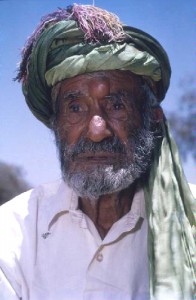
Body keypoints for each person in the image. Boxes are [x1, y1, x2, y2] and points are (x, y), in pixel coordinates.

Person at [0, 4, 195, 300]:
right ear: (56, 123)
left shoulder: (189, 221)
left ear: (152, 117)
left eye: (117, 106)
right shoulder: (13, 230)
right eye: (75, 108)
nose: (96, 130)